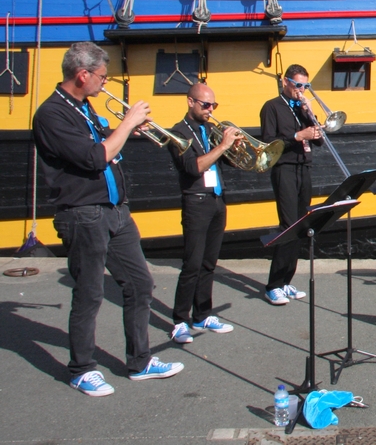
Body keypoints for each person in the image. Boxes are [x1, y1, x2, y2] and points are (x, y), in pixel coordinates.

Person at [32, 42, 184, 396]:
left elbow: (107, 146)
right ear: (82, 75)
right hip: (83, 214)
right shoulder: (52, 114)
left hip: (115, 211)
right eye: (102, 76)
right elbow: (93, 158)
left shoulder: (84, 107)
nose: (105, 83)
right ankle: (82, 368)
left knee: (140, 283)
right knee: (89, 293)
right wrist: (128, 120)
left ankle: (140, 361)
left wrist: (130, 132)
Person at [167, 84, 240, 344]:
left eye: (213, 105)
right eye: (205, 105)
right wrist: (223, 145)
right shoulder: (177, 133)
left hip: (217, 199)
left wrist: (235, 147)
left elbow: (226, 160)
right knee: (192, 265)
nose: (210, 110)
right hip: (196, 202)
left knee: (209, 263)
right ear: (190, 102)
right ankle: (179, 320)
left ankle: (202, 314)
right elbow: (194, 167)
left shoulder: (210, 130)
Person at [260, 64, 324, 305]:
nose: (301, 90)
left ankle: (286, 280)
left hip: (303, 167)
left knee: (300, 225)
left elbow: (318, 142)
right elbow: (268, 144)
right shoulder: (272, 107)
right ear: (286, 82)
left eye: (305, 86)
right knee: (288, 225)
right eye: (298, 85)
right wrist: (297, 136)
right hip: (284, 169)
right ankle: (273, 285)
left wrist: (310, 115)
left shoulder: (302, 108)